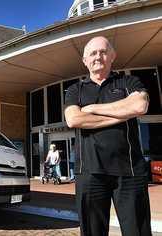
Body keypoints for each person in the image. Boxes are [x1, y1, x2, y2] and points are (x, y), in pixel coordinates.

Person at [64, 36, 152, 236]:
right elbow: (74, 120)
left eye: (103, 52)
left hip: (129, 173)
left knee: (138, 232)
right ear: (85, 60)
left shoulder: (129, 81)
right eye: (93, 53)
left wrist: (93, 109)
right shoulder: (75, 90)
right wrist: (123, 114)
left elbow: (140, 106)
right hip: (89, 174)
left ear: (113, 56)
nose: (98, 56)